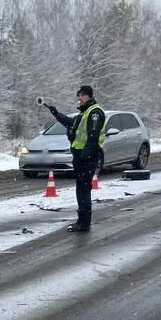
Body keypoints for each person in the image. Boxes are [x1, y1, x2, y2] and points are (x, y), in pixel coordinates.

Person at [38, 85, 106, 232]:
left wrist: (85, 155)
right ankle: (82, 220)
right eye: (78, 95)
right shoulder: (84, 113)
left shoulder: (94, 113)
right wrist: (56, 114)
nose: (79, 98)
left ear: (88, 96)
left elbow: (93, 136)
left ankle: (84, 222)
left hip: (86, 157)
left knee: (83, 190)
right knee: (81, 189)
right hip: (80, 155)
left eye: (81, 95)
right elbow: (71, 124)